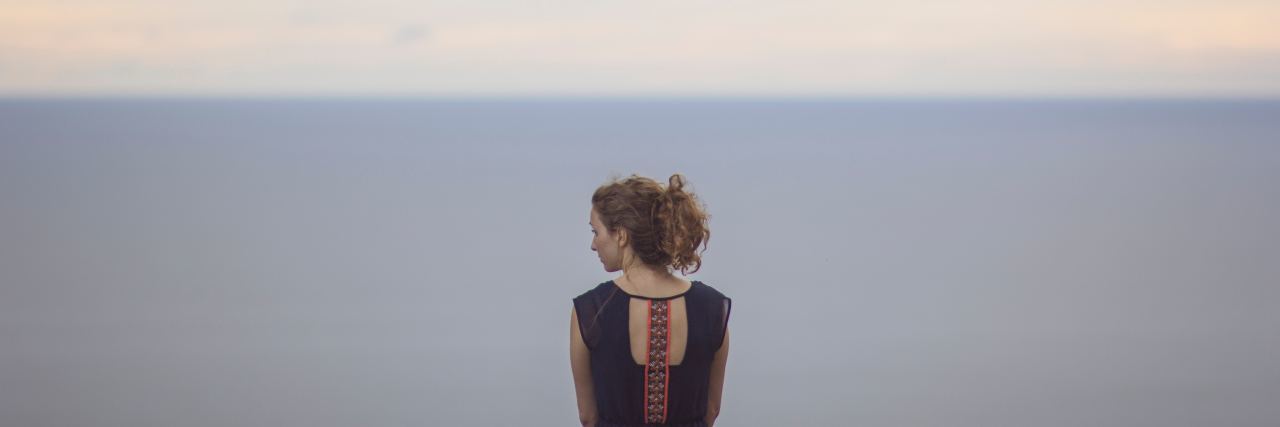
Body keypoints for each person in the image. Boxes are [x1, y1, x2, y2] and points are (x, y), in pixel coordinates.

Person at [571, 173, 731, 427]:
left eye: (596, 231)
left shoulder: (591, 309)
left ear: (621, 235)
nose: (593, 244)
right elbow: (711, 410)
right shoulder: (713, 308)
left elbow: (588, 417)